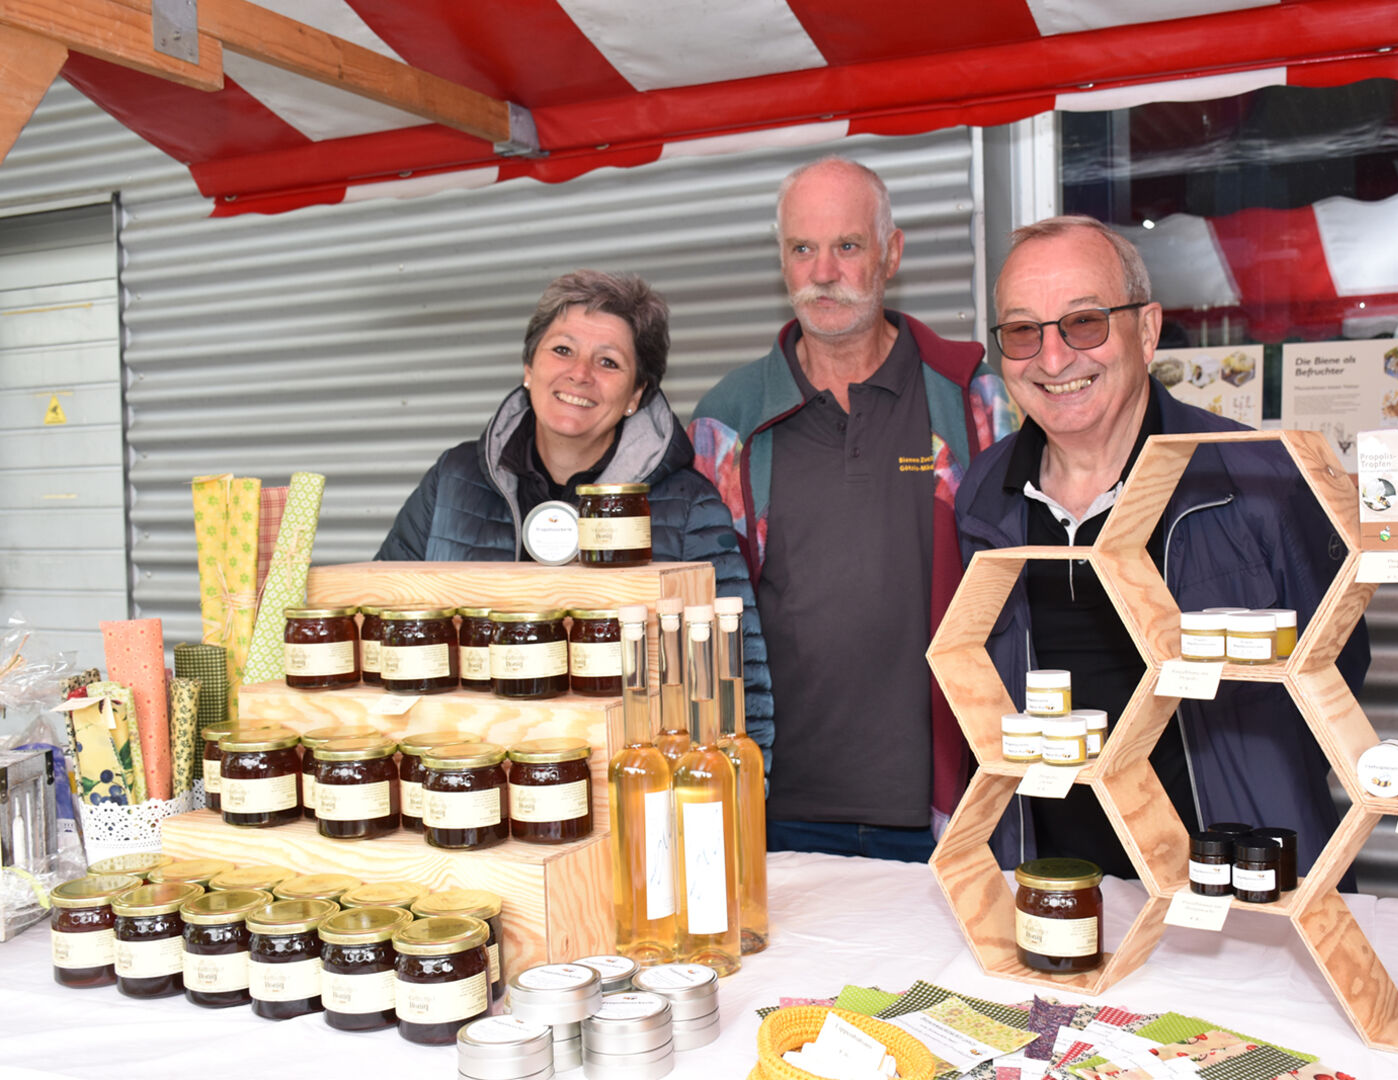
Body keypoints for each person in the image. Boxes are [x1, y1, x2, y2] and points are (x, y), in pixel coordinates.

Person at [955, 216, 1369, 875]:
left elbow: (1337, 671)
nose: (1053, 358)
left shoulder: (1258, 478)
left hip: (1235, 877)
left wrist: (1258, 794)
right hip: (1056, 876)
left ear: (1145, 332)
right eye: (1021, 331)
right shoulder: (985, 493)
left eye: (1083, 322)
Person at [687, 156, 1017, 863]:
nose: (822, 272)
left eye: (847, 246)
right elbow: (695, 617)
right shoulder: (730, 420)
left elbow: (1018, 600)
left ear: (889, 253)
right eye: (801, 248)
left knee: (941, 982)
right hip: (773, 807)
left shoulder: (968, 401)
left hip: (948, 807)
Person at [378, 269, 773, 761]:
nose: (580, 374)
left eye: (608, 361)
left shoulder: (689, 507)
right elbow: (381, 627)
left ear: (636, 395)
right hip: (467, 776)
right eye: (562, 350)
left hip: (627, 791)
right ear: (528, 366)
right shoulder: (453, 479)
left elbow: (740, 686)